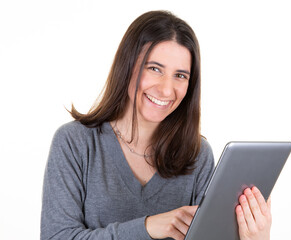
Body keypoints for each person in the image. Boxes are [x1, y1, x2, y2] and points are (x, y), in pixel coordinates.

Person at [41, 10, 272, 240]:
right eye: (155, 69)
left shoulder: (197, 155)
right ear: (127, 65)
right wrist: (148, 227)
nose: (165, 89)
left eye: (180, 76)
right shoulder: (75, 143)